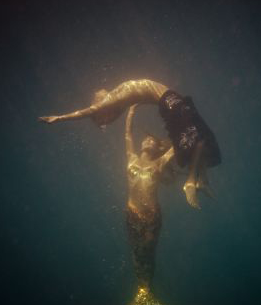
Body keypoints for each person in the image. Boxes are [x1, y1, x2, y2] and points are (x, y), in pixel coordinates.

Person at [39, 78, 221, 208]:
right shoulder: (113, 99)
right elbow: (89, 111)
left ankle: (201, 180)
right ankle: (191, 181)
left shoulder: (118, 98)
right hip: (168, 100)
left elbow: (103, 111)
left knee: (198, 134)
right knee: (196, 133)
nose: (101, 91)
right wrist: (60, 118)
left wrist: (133, 109)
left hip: (167, 101)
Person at [106, 105, 186, 305]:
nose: (148, 140)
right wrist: (131, 111)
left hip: (151, 218)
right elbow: (127, 135)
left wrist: (179, 123)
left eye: (153, 140)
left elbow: (177, 145)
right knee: (136, 255)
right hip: (132, 215)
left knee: (147, 255)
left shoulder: (159, 163)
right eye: (147, 139)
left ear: (156, 147)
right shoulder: (131, 157)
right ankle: (142, 299)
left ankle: (147, 298)